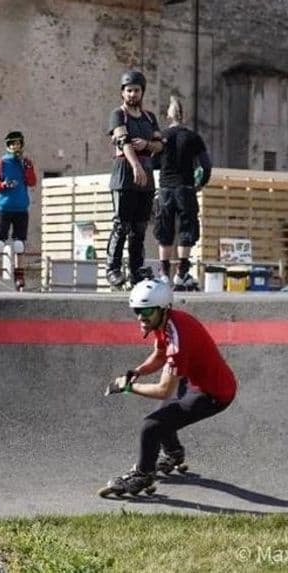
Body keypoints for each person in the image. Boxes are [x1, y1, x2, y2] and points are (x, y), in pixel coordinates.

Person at [102, 279, 237, 495]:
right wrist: (138, 372)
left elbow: (163, 389)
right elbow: (159, 354)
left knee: (152, 426)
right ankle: (174, 453)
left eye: (146, 312)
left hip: (214, 393)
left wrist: (128, 387)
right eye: (137, 310)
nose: (140, 317)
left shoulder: (178, 340)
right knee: (162, 415)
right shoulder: (165, 321)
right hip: (196, 380)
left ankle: (143, 475)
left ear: (163, 309)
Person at [106, 70, 163, 289]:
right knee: (122, 224)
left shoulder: (150, 118)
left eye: (136, 90)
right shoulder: (118, 115)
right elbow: (123, 141)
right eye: (129, 90)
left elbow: (160, 145)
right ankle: (113, 269)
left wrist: (147, 146)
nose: (132, 94)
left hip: (146, 174)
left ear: (142, 92)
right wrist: (136, 165)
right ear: (123, 92)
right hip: (125, 172)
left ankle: (136, 270)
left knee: (139, 227)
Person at [154, 95, 212, 290]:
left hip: (165, 189)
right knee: (187, 229)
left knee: (165, 230)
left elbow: (152, 162)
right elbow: (205, 165)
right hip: (186, 188)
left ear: (168, 116)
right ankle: (182, 273)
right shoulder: (193, 137)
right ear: (184, 115)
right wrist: (200, 183)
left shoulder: (161, 136)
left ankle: (163, 275)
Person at [0, 130, 37, 292]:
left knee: (19, 244)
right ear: (8, 146)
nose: (16, 146)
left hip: (21, 207)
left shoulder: (25, 162)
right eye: (13, 144)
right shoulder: (2, 163)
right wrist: (3, 185)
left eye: (18, 143)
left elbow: (32, 182)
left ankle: (19, 276)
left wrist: (28, 169)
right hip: (5, 207)